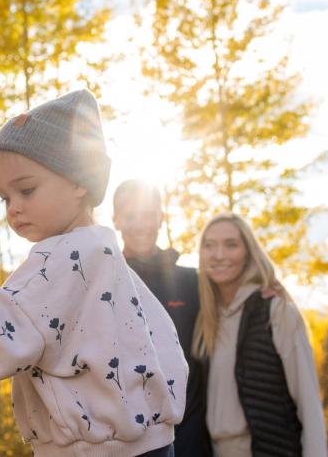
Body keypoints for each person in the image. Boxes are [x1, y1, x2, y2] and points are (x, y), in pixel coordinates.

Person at [0, 90, 188, 456]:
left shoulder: (65, 258)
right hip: (149, 443)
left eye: (26, 190)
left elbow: (6, 330)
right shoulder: (106, 255)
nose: (14, 208)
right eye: (5, 198)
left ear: (79, 180)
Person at [193, 214, 327, 456]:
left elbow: (309, 404)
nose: (219, 255)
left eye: (231, 245)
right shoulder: (206, 318)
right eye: (209, 245)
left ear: (248, 252)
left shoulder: (276, 311)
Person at [113, 180, 209, 455]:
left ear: (161, 218)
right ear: (116, 221)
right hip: (129, 441)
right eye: (130, 216)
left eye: (147, 215)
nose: (140, 224)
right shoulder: (105, 281)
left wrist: (264, 287)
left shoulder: (191, 281)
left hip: (191, 437)